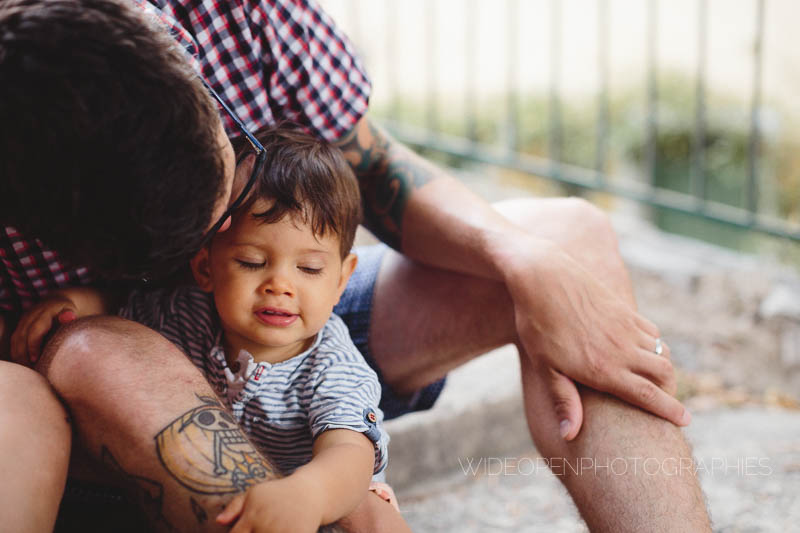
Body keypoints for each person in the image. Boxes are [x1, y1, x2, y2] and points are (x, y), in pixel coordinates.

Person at [0, 0, 711, 531]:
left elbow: (377, 167)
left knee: (566, 244)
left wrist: (522, 262)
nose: (221, 235)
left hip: (293, 353)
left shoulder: (230, 14)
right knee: (91, 353)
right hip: (101, 402)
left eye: (232, 188)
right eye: (215, 244)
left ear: (181, 58)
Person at [14, 126, 410, 532]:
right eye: (252, 262)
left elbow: (350, 452)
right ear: (205, 267)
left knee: (372, 512)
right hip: (204, 504)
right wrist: (73, 304)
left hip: (316, 501)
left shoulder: (334, 366)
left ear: (342, 280)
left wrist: (310, 493)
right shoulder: (184, 314)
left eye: (309, 269)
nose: (280, 285)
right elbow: (120, 307)